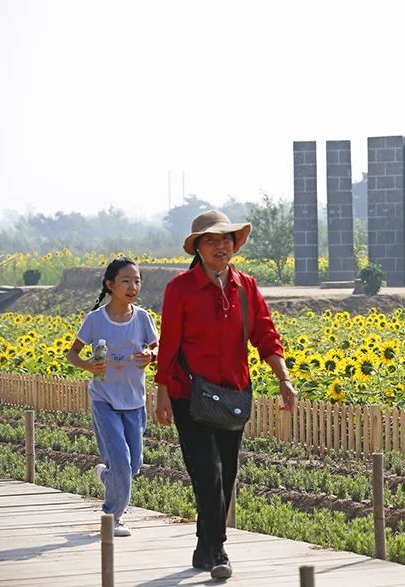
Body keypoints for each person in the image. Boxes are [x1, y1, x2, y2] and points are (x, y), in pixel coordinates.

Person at [154, 210, 296, 580]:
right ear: (197, 248)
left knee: (227, 472)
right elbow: (168, 344)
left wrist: (284, 378)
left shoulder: (245, 286)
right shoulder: (179, 289)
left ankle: (204, 546)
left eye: (227, 239)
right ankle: (218, 549)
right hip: (189, 394)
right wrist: (162, 393)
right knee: (207, 470)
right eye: (212, 240)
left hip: (233, 394)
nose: (221, 245)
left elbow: (265, 335)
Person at [65, 257, 159, 537]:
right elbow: (72, 353)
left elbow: (159, 349)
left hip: (134, 400)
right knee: (120, 458)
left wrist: (150, 355)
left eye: (137, 281)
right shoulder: (95, 320)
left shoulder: (143, 318)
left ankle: (106, 476)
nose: (133, 286)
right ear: (110, 285)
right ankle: (112, 516)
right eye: (126, 281)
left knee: (133, 465)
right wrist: (88, 366)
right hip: (104, 399)